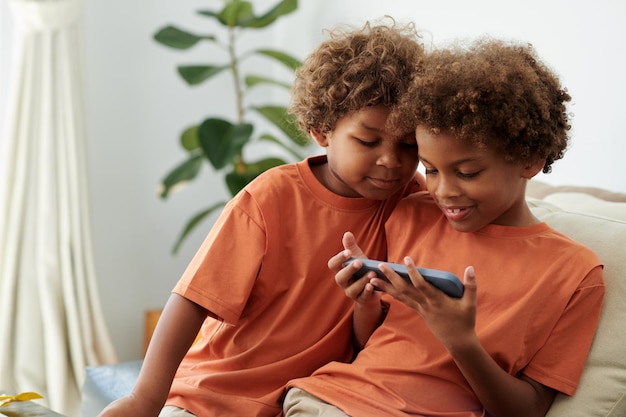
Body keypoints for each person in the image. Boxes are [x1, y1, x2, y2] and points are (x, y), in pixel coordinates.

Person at [98, 19, 425, 417]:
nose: (391, 160)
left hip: (307, 399)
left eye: (409, 144)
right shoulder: (270, 197)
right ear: (321, 130)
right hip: (209, 397)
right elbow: (190, 301)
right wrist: (144, 399)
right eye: (368, 141)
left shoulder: (412, 202)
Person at [284, 38, 606, 417]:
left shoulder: (575, 274)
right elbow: (371, 345)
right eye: (431, 169)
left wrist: (461, 341)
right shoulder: (410, 216)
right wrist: (365, 301)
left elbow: (528, 410)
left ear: (529, 161)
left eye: (467, 172)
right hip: (330, 401)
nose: (443, 191)